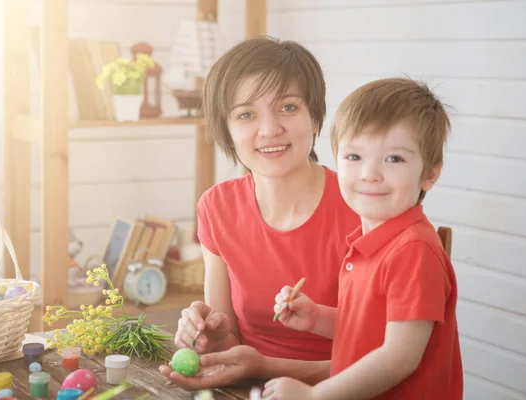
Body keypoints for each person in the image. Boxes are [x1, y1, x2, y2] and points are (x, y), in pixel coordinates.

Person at [159, 36, 359, 384]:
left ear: (315, 117)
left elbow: (385, 358)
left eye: (288, 108)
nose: (269, 130)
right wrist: (211, 334)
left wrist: (269, 368)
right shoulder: (217, 207)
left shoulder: (362, 208)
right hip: (251, 388)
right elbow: (229, 341)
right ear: (227, 130)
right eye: (246, 114)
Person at [262, 77, 463, 399]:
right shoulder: (369, 243)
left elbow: (398, 358)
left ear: (430, 173)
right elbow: (371, 330)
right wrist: (317, 317)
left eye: (394, 158)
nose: (370, 173)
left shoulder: (414, 251)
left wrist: (314, 396)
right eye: (354, 157)